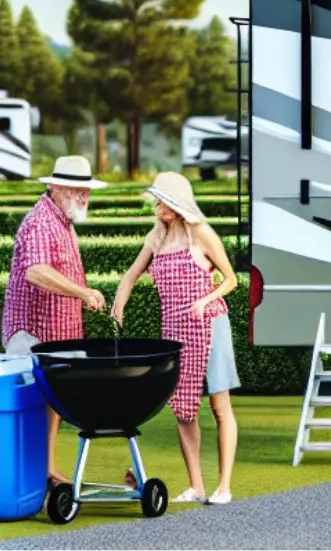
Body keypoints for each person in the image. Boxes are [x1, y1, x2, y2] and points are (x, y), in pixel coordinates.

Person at [110, 171, 240, 505]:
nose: (157, 207)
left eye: (162, 201)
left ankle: (224, 487)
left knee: (219, 405)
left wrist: (206, 300)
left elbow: (231, 279)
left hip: (210, 325)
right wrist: (118, 305)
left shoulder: (201, 233)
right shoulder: (156, 237)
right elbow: (130, 275)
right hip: (175, 331)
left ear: (177, 203)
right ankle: (196, 487)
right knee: (183, 409)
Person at [1, 155, 108, 485]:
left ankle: (45, 471)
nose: (83, 196)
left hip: (54, 335)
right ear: (55, 187)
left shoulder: (61, 220)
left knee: (50, 407)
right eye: (77, 190)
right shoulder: (40, 222)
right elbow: (36, 272)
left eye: (86, 190)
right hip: (33, 335)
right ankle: (25, 478)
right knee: (28, 408)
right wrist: (82, 292)